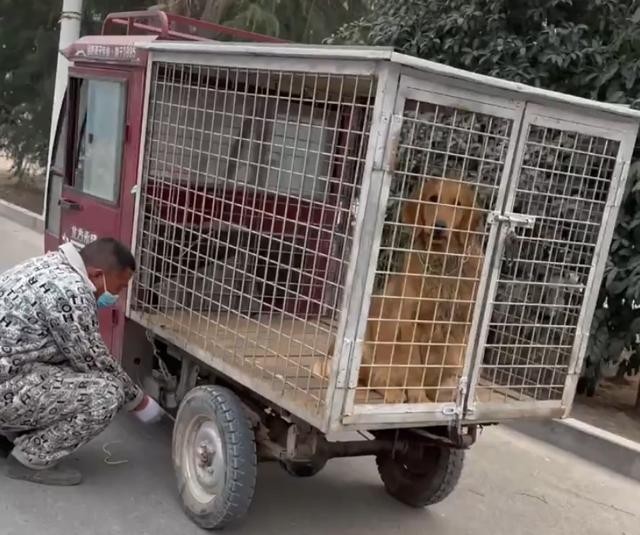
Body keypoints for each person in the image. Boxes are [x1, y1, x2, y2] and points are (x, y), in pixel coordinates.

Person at [0, 238, 163, 486]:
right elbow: (94, 360)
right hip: (7, 384)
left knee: (65, 364)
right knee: (107, 394)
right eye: (117, 288)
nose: (115, 297)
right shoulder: (71, 292)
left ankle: (9, 430)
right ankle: (31, 459)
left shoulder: (48, 264)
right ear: (97, 274)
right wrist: (139, 402)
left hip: (9, 373)